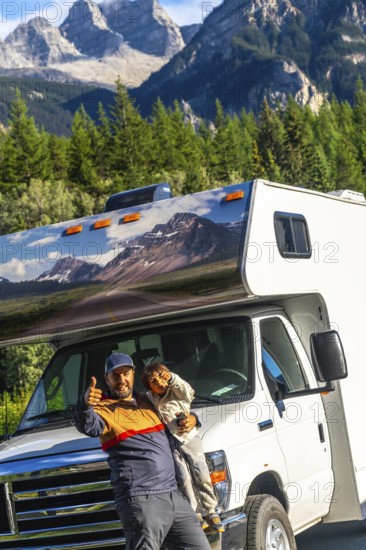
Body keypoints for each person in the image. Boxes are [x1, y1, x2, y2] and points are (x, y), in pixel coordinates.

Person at [74, 352, 211, 550]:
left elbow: (173, 412)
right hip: (142, 500)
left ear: (133, 375)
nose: (121, 379)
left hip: (174, 495)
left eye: (125, 373)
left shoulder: (149, 401)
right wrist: (84, 405)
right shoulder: (102, 408)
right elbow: (89, 426)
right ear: (107, 379)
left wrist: (193, 419)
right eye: (115, 375)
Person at [141, 362, 224, 533]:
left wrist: (172, 378)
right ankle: (194, 512)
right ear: (150, 388)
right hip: (172, 442)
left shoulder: (177, 392)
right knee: (183, 476)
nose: (159, 383)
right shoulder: (151, 398)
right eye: (153, 382)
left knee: (201, 471)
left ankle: (210, 509)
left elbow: (188, 391)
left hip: (190, 437)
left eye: (162, 377)